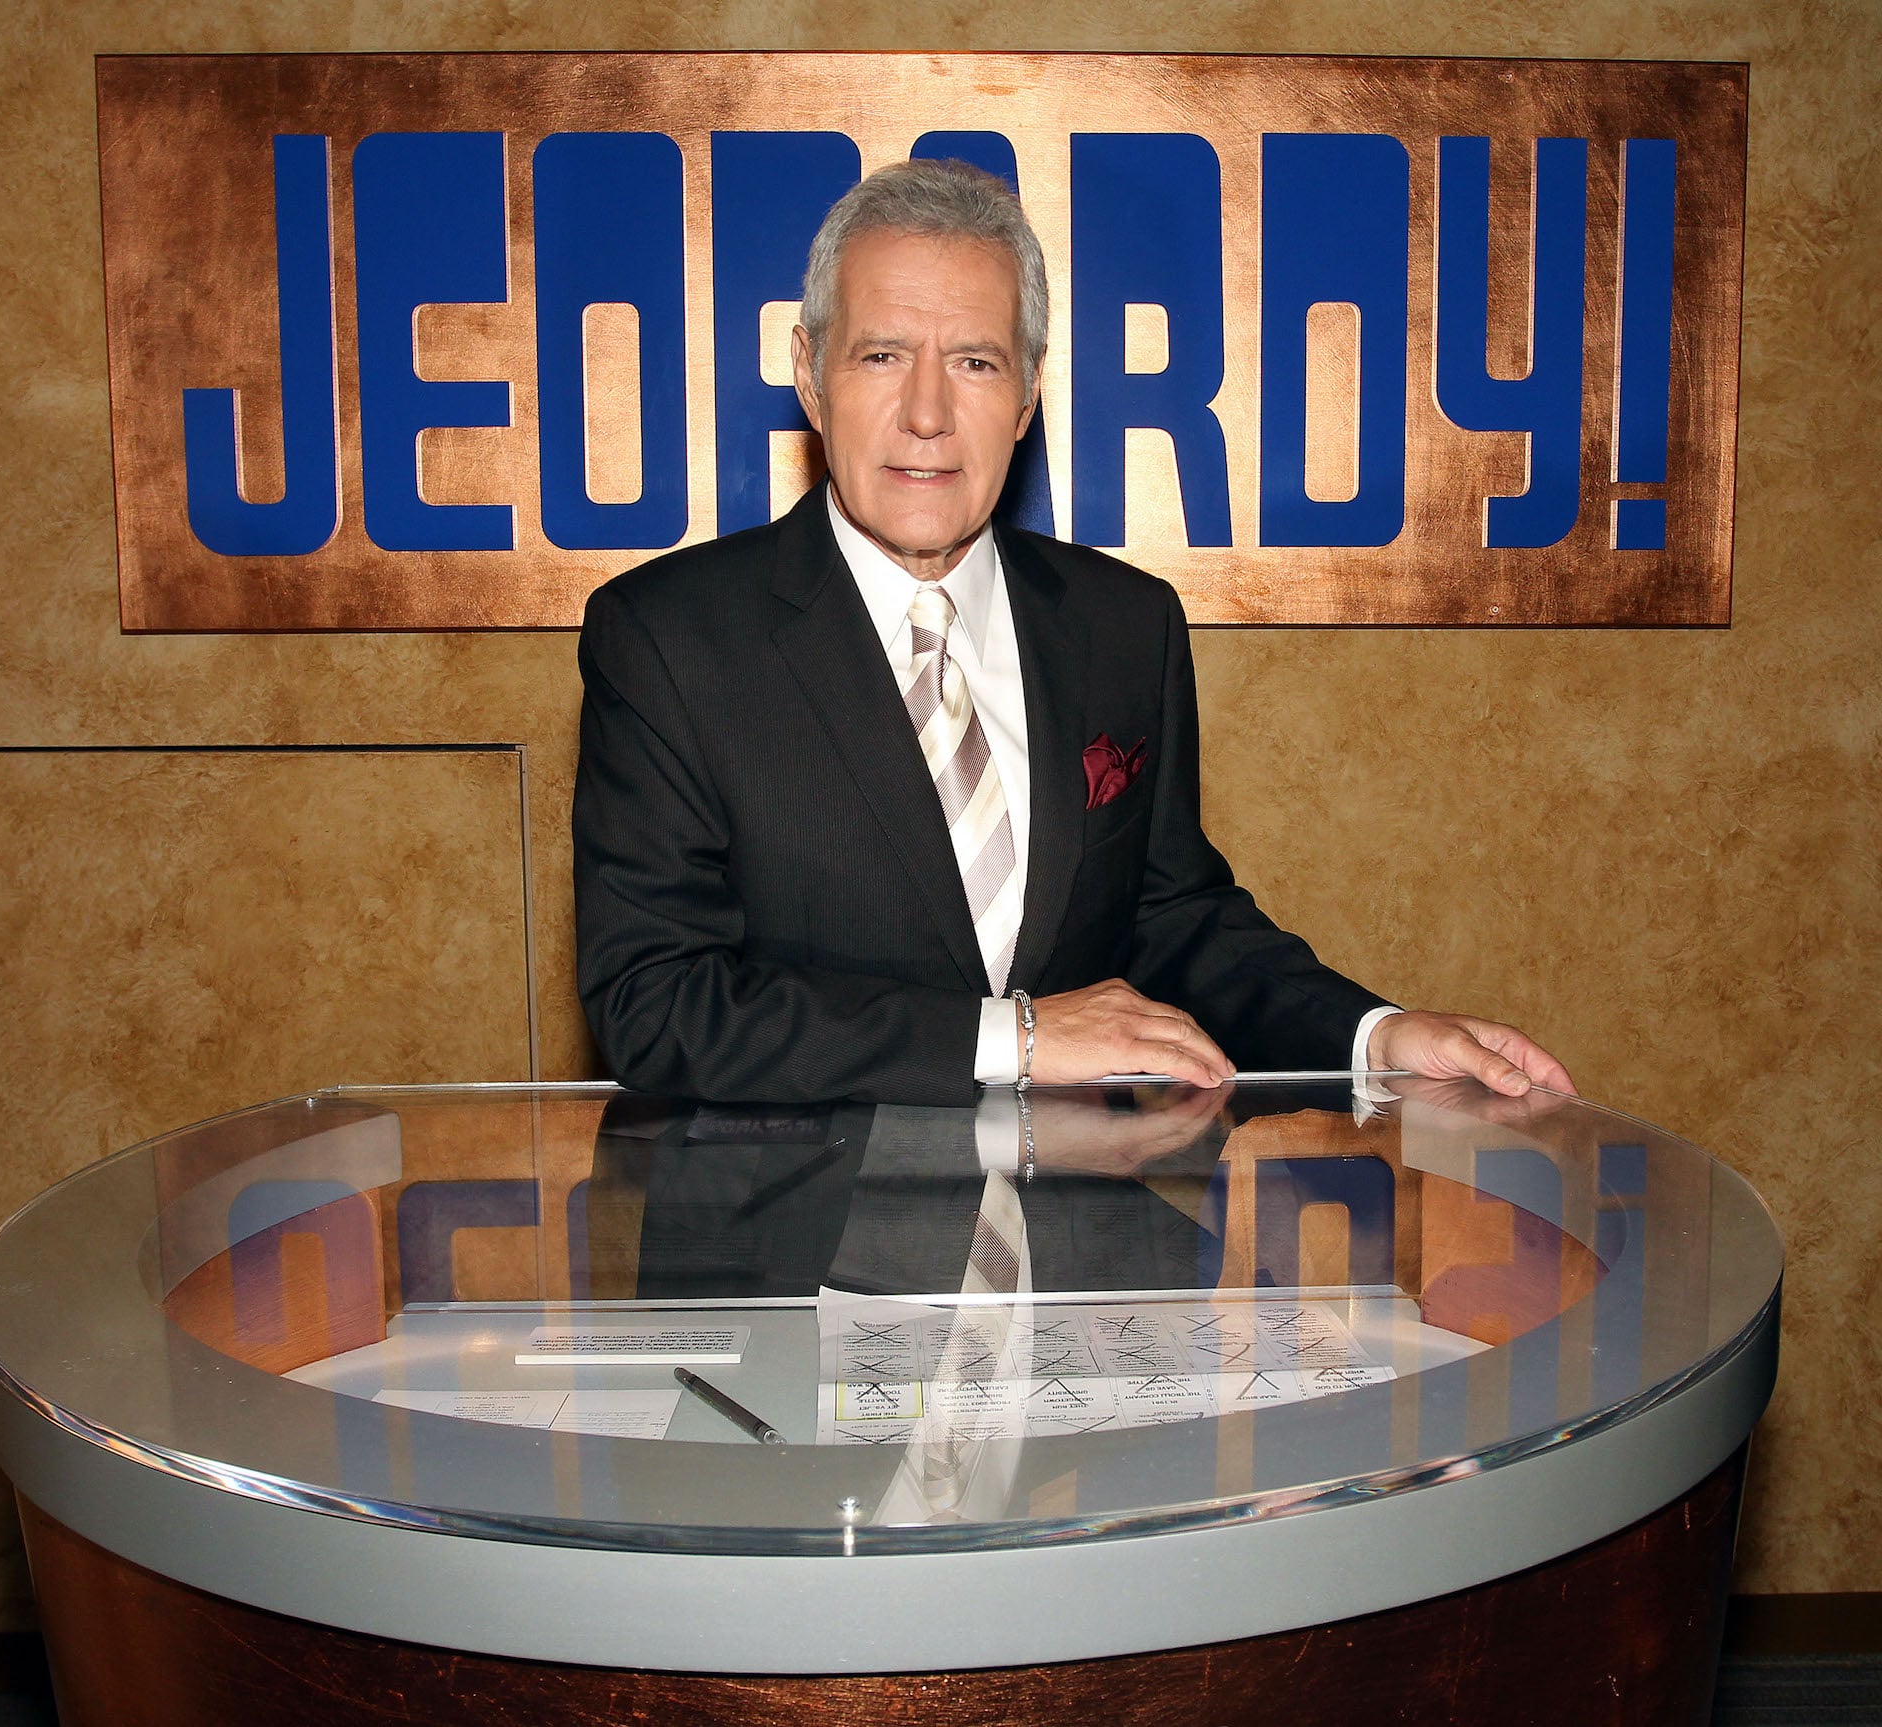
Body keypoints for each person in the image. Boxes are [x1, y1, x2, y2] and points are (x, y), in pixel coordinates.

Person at [574, 160, 1572, 1107]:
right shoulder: (666, 639)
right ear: (809, 373)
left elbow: (1172, 918)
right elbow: (653, 1004)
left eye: (974, 361)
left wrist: (1372, 1034)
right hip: (792, 1223)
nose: (927, 412)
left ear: (1027, 393)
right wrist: (1010, 1038)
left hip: (1081, 1213)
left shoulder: (1124, 625)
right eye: (881, 355)